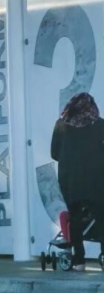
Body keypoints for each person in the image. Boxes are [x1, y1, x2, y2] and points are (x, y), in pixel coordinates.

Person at [50, 92, 104, 271]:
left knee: (74, 217)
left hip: (70, 179)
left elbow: (54, 153)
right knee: (102, 215)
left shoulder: (61, 125)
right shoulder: (100, 124)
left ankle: (79, 261)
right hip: (97, 179)